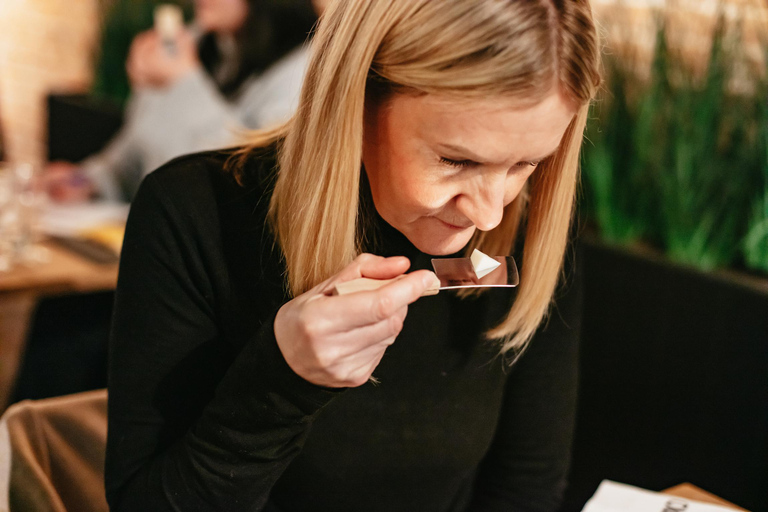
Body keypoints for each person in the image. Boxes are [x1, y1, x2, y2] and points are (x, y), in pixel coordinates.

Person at [106, 0, 601, 510]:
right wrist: (283, 378)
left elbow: (526, 487)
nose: (490, 214)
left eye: (526, 164)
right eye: (456, 160)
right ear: (356, 98)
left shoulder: (531, 233)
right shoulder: (194, 214)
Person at [46, 0, 318, 202]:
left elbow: (249, 176)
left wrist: (185, 82)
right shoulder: (196, 43)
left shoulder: (303, 71)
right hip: (153, 234)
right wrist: (88, 180)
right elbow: (137, 150)